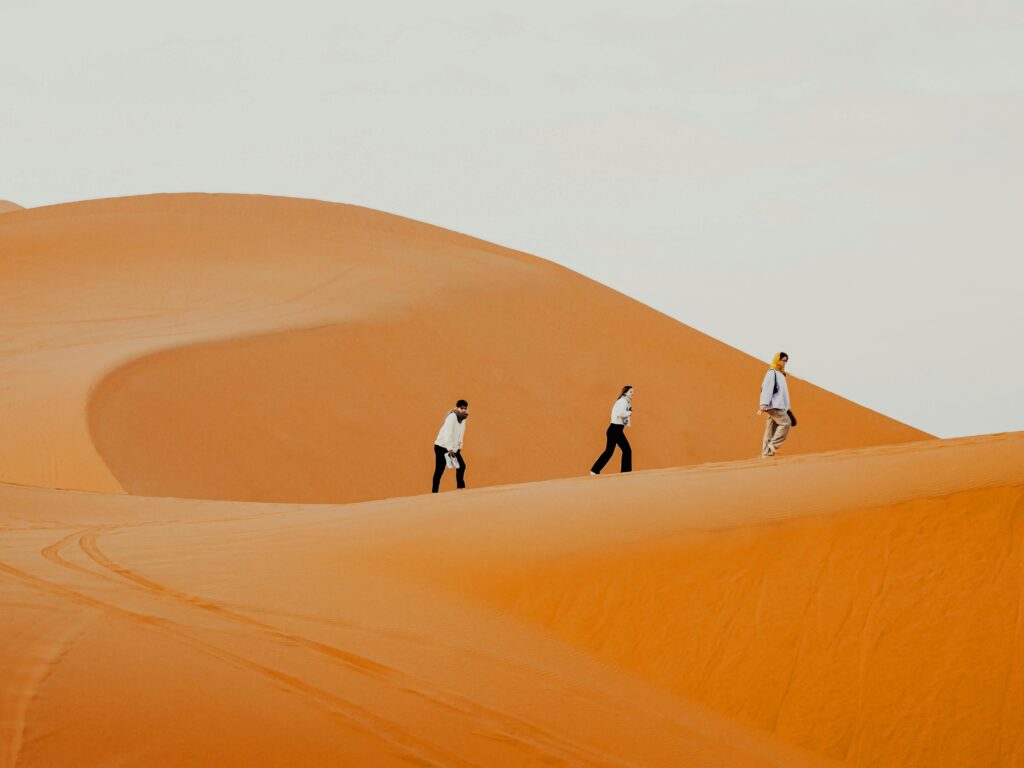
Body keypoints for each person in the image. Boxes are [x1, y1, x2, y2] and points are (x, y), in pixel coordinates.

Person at [590, 386, 633, 475]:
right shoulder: (623, 402)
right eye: (631, 392)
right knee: (626, 450)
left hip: (614, 429)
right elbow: (621, 413)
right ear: (625, 393)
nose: (633, 393)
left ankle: (594, 470)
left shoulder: (624, 401)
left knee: (609, 451)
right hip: (616, 429)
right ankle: (626, 472)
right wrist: (630, 412)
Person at [758, 352, 792, 457]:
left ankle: (766, 453)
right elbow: (766, 389)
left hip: (779, 405)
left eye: (786, 361)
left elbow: (782, 393)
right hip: (774, 405)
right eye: (783, 360)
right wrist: (763, 404)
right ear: (777, 360)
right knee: (786, 423)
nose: (784, 362)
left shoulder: (780, 374)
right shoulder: (772, 373)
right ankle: (774, 444)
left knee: (770, 429)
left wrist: (787, 407)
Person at [432, 399, 469, 493]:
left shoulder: (463, 418)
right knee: (440, 469)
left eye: (465, 408)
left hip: (453, 447)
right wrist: (450, 449)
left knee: (461, 466)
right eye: (462, 408)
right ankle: (434, 492)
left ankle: (461, 489)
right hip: (442, 446)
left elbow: (461, 433)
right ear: (457, 408)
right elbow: (448, 433)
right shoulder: (452, 417)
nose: (464, 410)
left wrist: (459, 446)